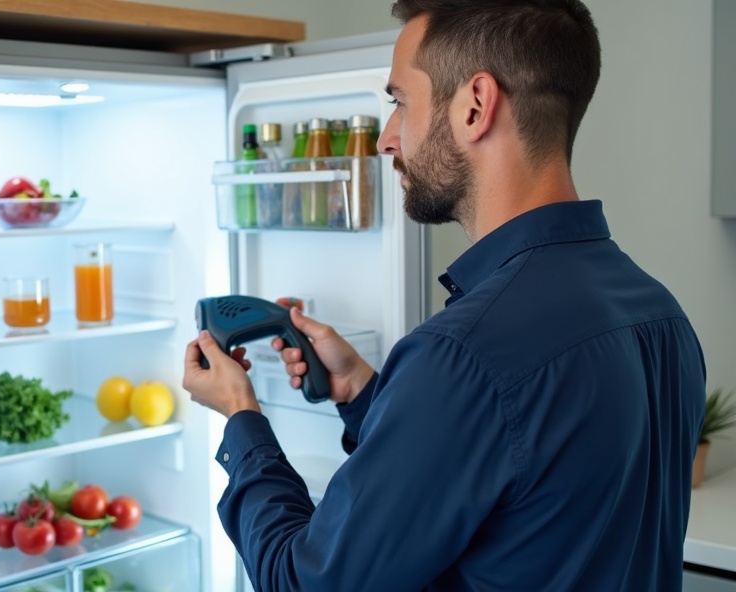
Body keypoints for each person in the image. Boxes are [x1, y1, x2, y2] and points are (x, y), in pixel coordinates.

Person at [182, 0, 708, 590]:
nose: (385, 139)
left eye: (400, 102)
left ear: (476, 107)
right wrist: (362, 392)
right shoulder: (661, 314)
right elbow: (516, 480)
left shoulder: (464, 354)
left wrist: (241, 417)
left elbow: (303, 581)